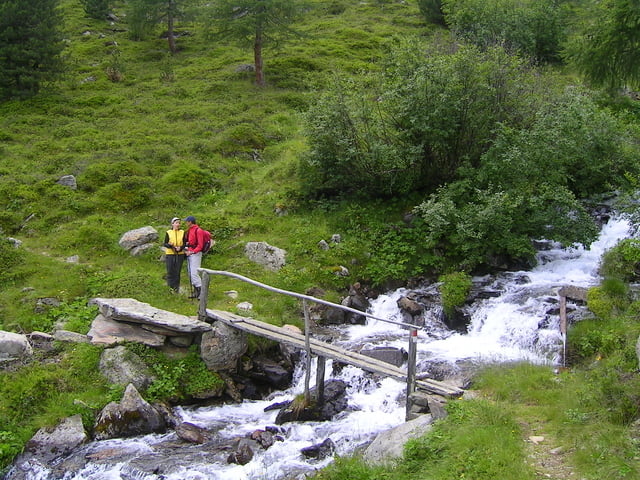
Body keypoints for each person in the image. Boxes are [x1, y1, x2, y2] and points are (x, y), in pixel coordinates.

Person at [183, 215, 206, 299]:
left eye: (186, 221)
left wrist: (192, 252)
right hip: (190, 253)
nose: (185, 223)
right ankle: (196, 292)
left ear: (190, 222)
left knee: (194, 273)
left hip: (196, 254)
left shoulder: (198, 230)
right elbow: (190, 243)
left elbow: (200, 245)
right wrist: (187, 249)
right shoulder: (190, 230)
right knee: (190, 273)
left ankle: (202, 293)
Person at [163, 217, 186, 293]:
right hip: (170, 254)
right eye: (176, 223)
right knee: (170, 271)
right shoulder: (168, 232)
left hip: (180, 254)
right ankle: (170, 288)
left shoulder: (182, 232)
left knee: (177, 271)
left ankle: (176, 289)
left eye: (179, 223)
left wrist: (181, 247)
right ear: (172, 224)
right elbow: (165, 243)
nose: (178, 224)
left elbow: (185, 243)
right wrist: (170, 245)